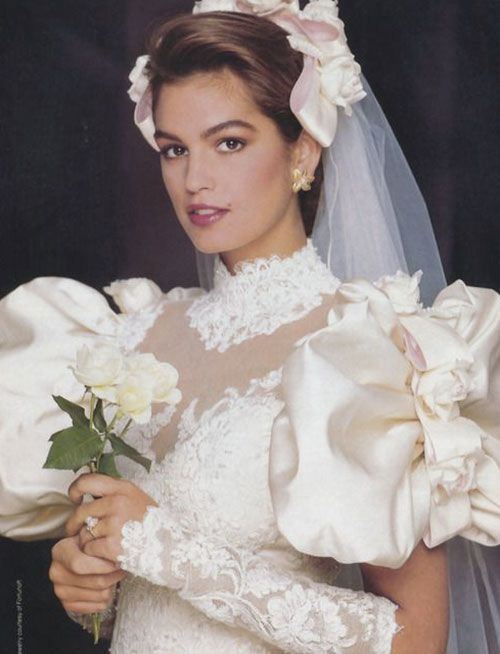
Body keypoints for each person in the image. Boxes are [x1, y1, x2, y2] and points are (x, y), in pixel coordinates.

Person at [0, 1, 498, 652]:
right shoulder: (132, 332)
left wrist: (166, 549)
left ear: (304, 152)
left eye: (229, 142)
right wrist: (86, 584)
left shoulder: (364, 349)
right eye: (174, 149)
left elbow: (416, 637)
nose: (194, 180)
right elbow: (147, 607)